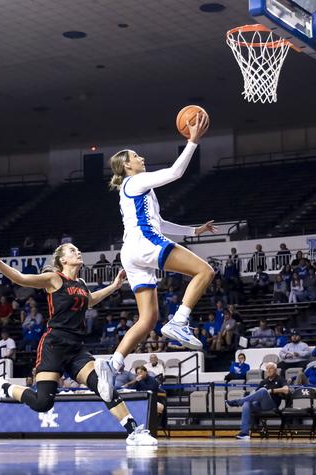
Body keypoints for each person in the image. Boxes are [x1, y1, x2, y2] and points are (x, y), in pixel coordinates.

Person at [0, 242, 156, 446]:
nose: (78, 251)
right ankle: (3, 387)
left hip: (76, 348)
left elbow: (90, 300)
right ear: (63, 260)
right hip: (54, 345)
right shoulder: (54, 279)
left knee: (103, 386)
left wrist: (114, 286)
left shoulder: (80, 282)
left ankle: (134, 431)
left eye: (78, 249)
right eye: (73, 250)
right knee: (42, 403)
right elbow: (22, 279)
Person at [101, 112, 214, 400]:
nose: (141, 158)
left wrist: (193, 231)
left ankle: (113, 364)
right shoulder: (137, 182)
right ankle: (179, 321)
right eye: (136, 156)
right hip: (145, 244)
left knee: (147, 319)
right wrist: (192, 142)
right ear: (127, 165)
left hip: (131, 252)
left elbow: (160, 224)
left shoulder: (137, 190)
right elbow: (176, 172)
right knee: (205, 272)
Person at [225, 362, 288, 440]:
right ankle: (245, 433)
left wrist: (272, 391)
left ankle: (237, 402)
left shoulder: (280, 378)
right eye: (267, 369)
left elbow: (286, 390)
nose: (268, 370)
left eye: (270, 368)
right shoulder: (263, 382)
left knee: (263, 391)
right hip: (260, 405)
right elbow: (255, 393)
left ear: (275, 370)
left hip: (272, 405)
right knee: (246, 404)